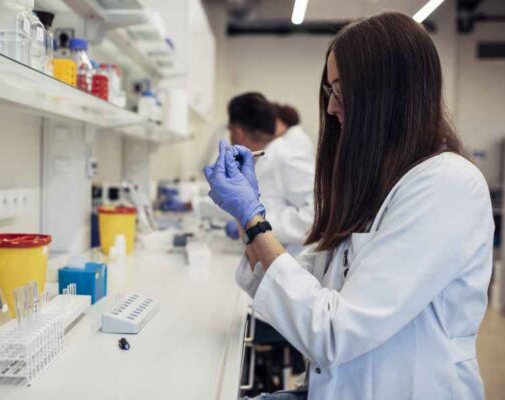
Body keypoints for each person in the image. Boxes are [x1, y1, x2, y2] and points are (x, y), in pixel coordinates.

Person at [204, 12, 493, 400]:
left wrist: (253, 218)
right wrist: (249, 217)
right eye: (330, 91)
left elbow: (334, 331)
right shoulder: (379, 184)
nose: (331, 109)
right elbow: (309, 278)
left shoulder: (447, 186)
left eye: (341, 91)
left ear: (386, 94)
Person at [225, 94, 315, 256]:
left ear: (238, 133)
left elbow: (314, 217)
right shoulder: (259, 159)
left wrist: (255, 225)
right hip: (267, 261)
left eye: (230, 131)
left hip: (292, 264)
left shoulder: (288, 158)